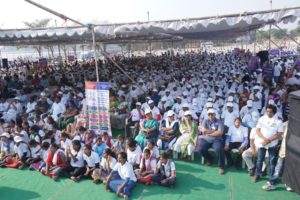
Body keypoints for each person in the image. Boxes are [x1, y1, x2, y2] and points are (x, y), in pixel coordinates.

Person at [253, 104, 284, 183]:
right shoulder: (261, 119)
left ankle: (271, 177)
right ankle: (257, 174)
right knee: (260, 160)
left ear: (274, 112)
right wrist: (264, 139)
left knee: (271, 161)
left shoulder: (278, 121)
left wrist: (269, 140)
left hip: (272, 144)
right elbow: (257, 130)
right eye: (267, 111)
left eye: (270, 112)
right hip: (262, 143)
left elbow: (280, 133)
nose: (268, 113)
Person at [199, 109, 225, 174]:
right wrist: (214, 132)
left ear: (215, 115)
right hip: (206, 139)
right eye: (209, 114)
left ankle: (221, 166)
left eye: (212, 114)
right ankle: (210, 159)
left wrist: (209, 132)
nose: (210, 116)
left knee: (218, 149)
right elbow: (203, 131)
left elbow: (220, 133)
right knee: (201, 149)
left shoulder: (219, 122)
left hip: (217, 139)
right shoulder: (205, 121)